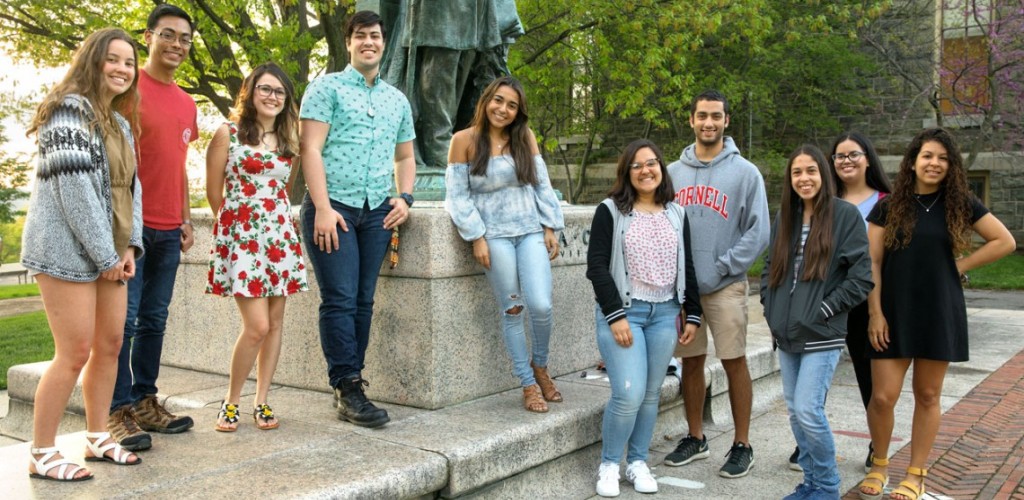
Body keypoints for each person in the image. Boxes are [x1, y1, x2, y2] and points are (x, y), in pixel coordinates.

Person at [859, 128, 1015, 500]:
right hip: (893, 309)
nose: (935, 163)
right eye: (928, 156)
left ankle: (916, 474)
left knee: (928, 395)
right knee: (883, 397)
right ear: (913, 161)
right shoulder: (888, 205)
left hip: (938, 309)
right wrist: (875, 313)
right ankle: (879, 465)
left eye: (943, 159)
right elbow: (873, 262)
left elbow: (1004, 241)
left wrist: (961, 265)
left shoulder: (960, 203)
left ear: (951, 167)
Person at [21, 27, 144, 481]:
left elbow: (134, 188)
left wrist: (131, 245)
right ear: (93, 60)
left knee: (110, 346)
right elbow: (74, 192)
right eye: (113, 59)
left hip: (112, 250)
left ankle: (97, 437)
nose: (122, 69)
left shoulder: (121, 123)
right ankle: (42, 451)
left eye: (129, 63)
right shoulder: (67, 115)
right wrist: (104, 254)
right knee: (73, 351)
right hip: (67, 251)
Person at [299, 10, 416, 428]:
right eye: (361, 36)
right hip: (334, 209)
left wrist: (405, 198)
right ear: (348, 42)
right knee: (340, 299)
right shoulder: (326, 87)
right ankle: (346, 385)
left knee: (364, 301)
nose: (369, 42)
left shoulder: (396, 99)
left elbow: (405, 156)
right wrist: (324, 208)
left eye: (376, 36)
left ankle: (352, 384)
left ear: (384, 43)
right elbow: (310, 149)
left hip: (376, 213)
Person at [586, 139, 702, 497]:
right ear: (627, 172)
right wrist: (616, 315)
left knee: (651, 394)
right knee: (628, 393)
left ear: (661, 169)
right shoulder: (611, 211)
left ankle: (637, 462)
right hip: (625, 313)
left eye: (652, 163)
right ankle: (609, 465)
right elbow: (597, 268)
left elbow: (688, 265)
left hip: (665, 313)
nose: (645, 170)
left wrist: (693, 312)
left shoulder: (676, 212)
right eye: (637, 165)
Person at [664, 89, 770, 478]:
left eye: (716, 116)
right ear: (691, 120)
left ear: (727, 122)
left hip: (726, 284)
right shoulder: (672, 173)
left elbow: (759, 232)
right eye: (702, 115)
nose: (709, 122)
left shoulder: (745, 173)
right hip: (683, 290)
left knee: (734, 360)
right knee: (690, 362)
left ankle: (743, 444)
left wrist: (723, 266)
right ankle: (696, 437)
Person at [445, 76, 565, 413]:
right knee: (513, 308)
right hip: (493, 236)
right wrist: (476, 236)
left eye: (512, 105)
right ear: (486, 101)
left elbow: (541, 184)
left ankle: (540, 365)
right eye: (499, 101)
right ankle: (527, 383)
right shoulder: (463, 140)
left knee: (541, 305)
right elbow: (457, 196)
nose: (503, 109)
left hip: (528, 230)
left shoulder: (524, 137)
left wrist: (550, 226)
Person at [108, 3, 199, 450]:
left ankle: (145, 400)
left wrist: (184, 217)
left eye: (184, 38)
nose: (177, 45)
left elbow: (178, 166)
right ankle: (115, 409)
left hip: (168, 228)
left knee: (154, 320)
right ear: (148, 37)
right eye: (168, 35)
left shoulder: (186, 103)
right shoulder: (127, 88)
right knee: (121, 323)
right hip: (130, 231)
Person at [762, 145, 872, 499]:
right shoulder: (787, 216)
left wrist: (824, 311)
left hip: (822, 333)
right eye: (797, 172)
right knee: (795, 413)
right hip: (787, 332)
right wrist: (771, 308)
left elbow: (861, 277)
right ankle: (809, 482)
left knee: (809, 410)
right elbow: (769, 270)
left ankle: (827, 486)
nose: (804, 178)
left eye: (811, 171)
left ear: (823, 174)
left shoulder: (844, 215)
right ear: (790, 179)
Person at [206, 63, 309, 432]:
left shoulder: (289, 140)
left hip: (280, 237)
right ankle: (230, 400)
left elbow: (285, 189)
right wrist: (238, 232)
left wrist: (272, 225)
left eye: (280, 92)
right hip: (242, 239)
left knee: (275, 324)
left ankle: (261, 400)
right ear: (250, 92)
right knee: (257, 326)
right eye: (265, 89)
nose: (273, 97)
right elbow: (214, 193)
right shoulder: (227, 134)